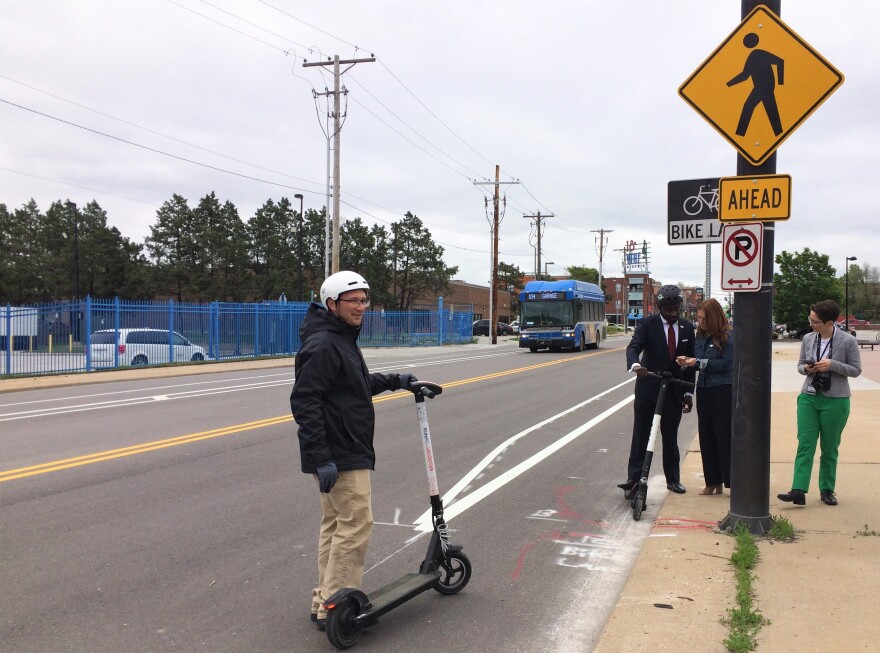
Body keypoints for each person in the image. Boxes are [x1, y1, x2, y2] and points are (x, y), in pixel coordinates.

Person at [290, 270, 419, 629]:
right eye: (354, 301)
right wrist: (322, 457)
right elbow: (305, 401)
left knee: (335, 525)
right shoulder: (325, 344)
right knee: (355, 525)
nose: (362, 307)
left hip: (341, 450)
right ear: (332, 304)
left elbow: (354, 387)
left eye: (365, 300)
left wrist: (396, 381)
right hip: (339, 453)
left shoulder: (339, 338)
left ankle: (324, 603)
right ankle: (341, 606)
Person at [778, 300, 861, 507]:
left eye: (815, 321)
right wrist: (807, 369)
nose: (811, 324)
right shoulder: (808, 339)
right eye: (811, 319)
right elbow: (799, 365)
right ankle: (798, 490)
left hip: (836, 399)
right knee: (805, 443)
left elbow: (856, 370)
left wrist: (833, 365)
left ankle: (826, 489)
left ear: (829, 322)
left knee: (830, 446)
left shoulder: (848, 341)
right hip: (809, 395)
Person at [619, 285, 696, 495]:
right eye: (668, 310)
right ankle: (634, 481)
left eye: (676, 310)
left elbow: (691, 362)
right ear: (659, 307)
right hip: (648, 388)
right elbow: (634, 347)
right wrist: (635, 366)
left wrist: (689, 393)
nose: (672, 314)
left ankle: (673, 479)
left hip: (674, 390)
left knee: (670, 437)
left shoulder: (687, 328)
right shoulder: (647, 324)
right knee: (641, 436)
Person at [677, 298, 734, 495]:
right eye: (699, 318)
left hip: (723, 389)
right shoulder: (700, 337)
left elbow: (727, 364)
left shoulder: (729, 336)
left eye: (704, 318)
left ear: (715, 317)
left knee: (723, 436)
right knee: (706, 436)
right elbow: (696, 357)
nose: (700, 322)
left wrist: (699, 362)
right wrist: (686, 361)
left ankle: (731, 482)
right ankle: (713, 481)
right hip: (704, 388)